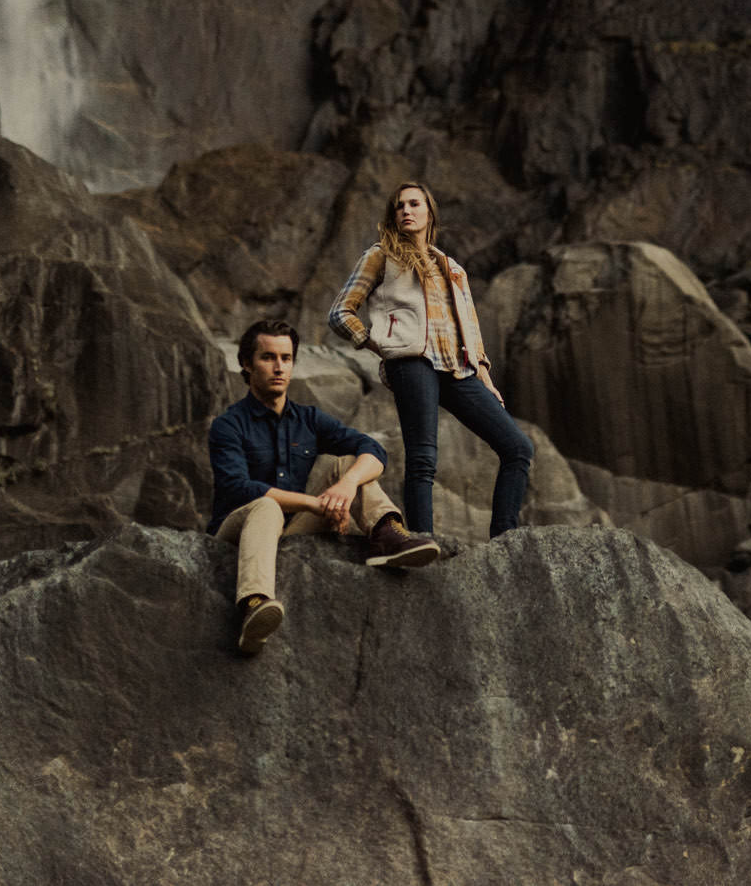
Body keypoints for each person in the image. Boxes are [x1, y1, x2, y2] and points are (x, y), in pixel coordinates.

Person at [208, 317, 440, 655]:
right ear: (246, 363)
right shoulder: (229, 425)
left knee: (349, 465)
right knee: (266, 505)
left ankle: (388, 535)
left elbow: (374, 452)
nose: (278, 367)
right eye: (268, 357)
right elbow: (239, 488)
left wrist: (345, 486)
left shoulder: (308, 419)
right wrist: (319, 505)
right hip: (238, 531)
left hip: (292, 531)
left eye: (285, 358)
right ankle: (253, 604)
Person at [329, 180, 533, 538]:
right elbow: (341, 312)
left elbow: (470, 326)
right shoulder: (380, 256)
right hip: (412, 364)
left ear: (429, 212)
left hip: (457, 369)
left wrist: (484, 376)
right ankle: (423, 540)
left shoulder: (452, 267)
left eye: (413, 204)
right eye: (399, 206)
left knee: (517, 447)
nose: (406, 211)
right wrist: (380, 343)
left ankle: (505, 540)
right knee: (423, 458)